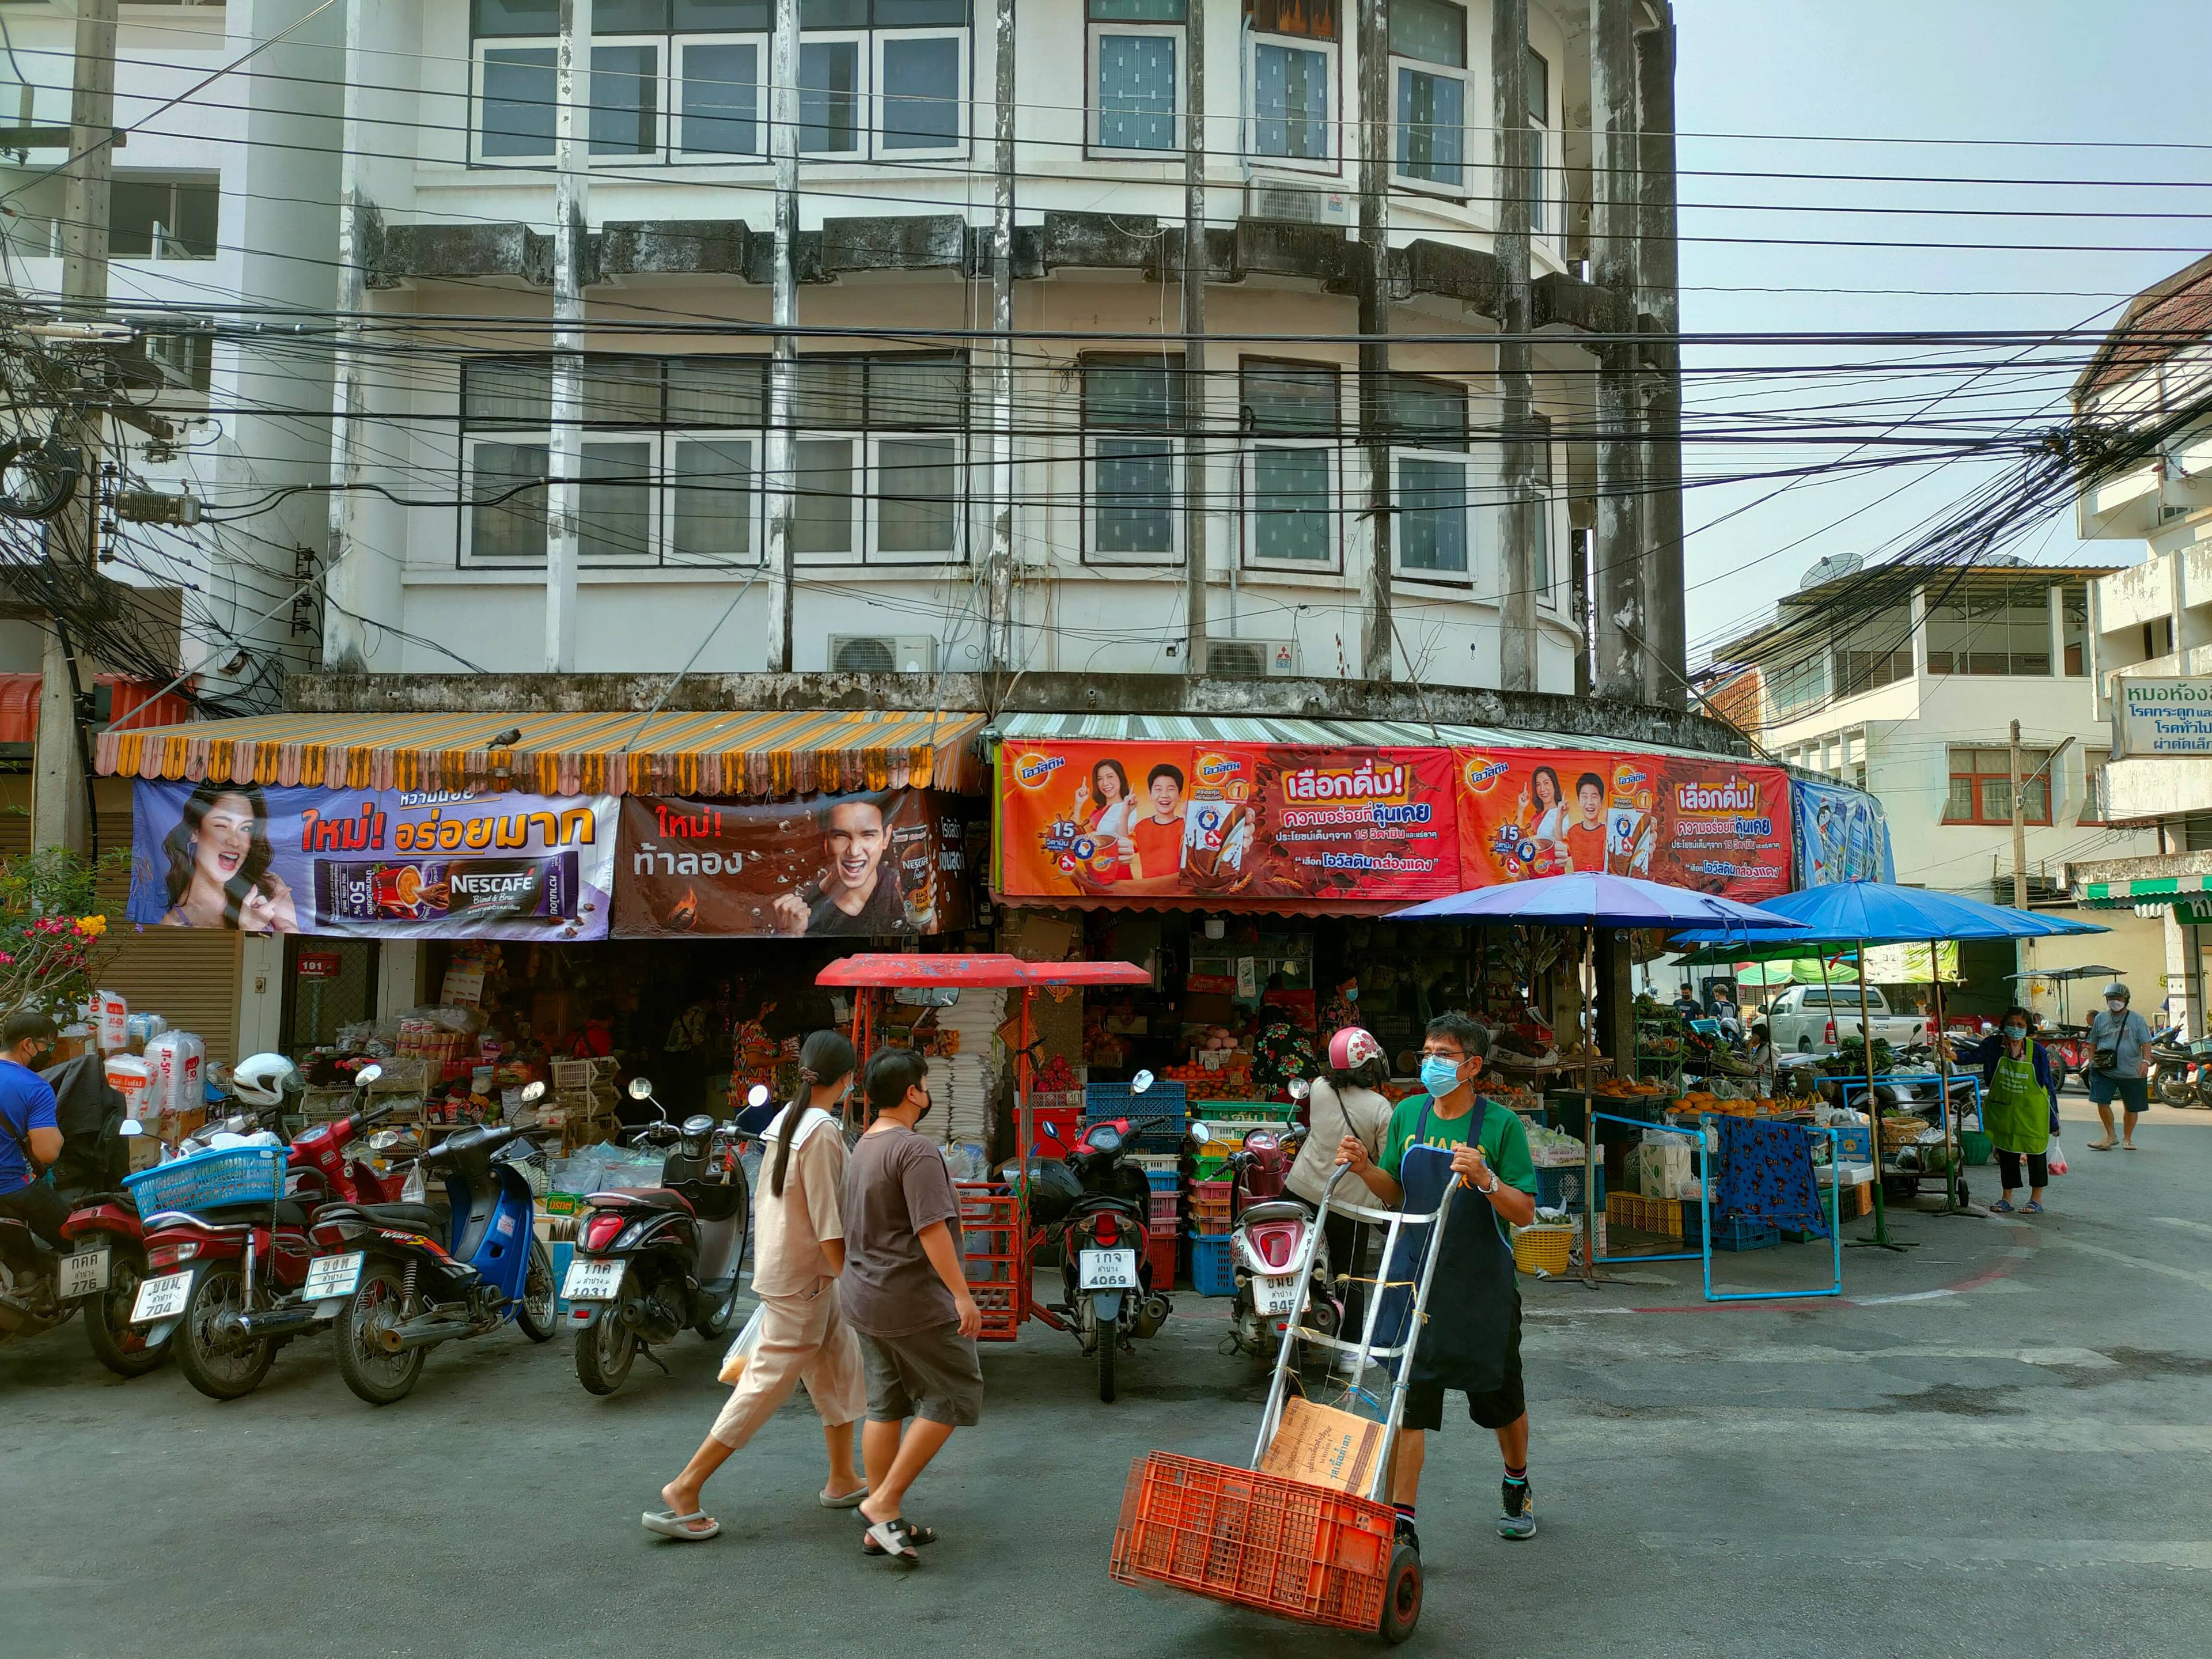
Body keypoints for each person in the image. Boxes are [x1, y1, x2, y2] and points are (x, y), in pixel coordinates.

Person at [647, 1031, 869, 1541]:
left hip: (798, 1273)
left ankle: (843, 1477)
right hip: (807, 1277)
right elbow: (828, 1221)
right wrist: (854, 1277)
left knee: (839, 1360)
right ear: (848, 1080)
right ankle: (685, 1486)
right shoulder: (820, 1133)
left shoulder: (788, 1124)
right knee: (765, 1384)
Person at [1336, 1012, 1540, 1544]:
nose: (1432, 1064)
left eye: (1444, 1055)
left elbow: (1523, 1213)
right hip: (1413, 1283)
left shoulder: (1501, 1126)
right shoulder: (1407, 1115)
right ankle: (1403, 1524)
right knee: (1411, 1404)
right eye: (1427, 1054)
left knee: (1501, 1401)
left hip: (1479, 1289)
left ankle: (1515, 1480)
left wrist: (1487, 1178)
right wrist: (1363, 1169)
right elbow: (1398, 1193)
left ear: (1473, 1065)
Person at [841, 1047, 983, 1563]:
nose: (926, 1091)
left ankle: (884, 1521)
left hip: (865, 1295)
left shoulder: (865, 1145)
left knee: (888, 1403)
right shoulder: (915, 1150)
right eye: (924, 1083)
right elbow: (932, 1231)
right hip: (909, 1298)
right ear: (913, 1093)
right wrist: (962, 1296)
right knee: (955, 1393)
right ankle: (883, 1503)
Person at [1283, 1027, 1394, 1333]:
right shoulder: (1380, 1107)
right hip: (1349, 1202)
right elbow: (1385, 1162)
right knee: (1349, 1275)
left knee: (1294, 1263)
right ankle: (1348, 1347)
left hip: (1301, 1189)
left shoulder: (1319, 1087)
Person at [160, 781, 296, 932]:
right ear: (195, 832)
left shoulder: (270, 886)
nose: (235, 841)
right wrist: (248, 930)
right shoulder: (174, 923)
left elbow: (295, 948)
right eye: (221, 826)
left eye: (245, 828)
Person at [773, 797, 907, 936]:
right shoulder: (801, 916)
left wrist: (928, 925)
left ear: (886, 837)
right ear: (824, 841)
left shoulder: (902, 891)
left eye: (868, 835)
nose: (854, 851)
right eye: (841, 836)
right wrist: (788, 936)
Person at [1972, 1006, 2059, 1215]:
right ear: (2004, 1025)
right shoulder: (1993, 1045)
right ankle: (2006, 1198)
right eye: (2011, 1024)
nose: (2015, 1029)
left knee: (2035, 1152)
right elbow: (1972, 1056)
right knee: (2007, 1151)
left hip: (2033, 1112)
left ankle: (2036, 1199)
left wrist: (2054, 1119)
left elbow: (2047, 1083)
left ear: (2028, 1028)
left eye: (2021, 1025)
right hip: (2006, 1109)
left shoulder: (2036, 1051)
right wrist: (1951, 1054)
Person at [0, 1011, 66, 1247]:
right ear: (27, 1044)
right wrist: (58, 1138)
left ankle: (25, 1271)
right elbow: (47, 1153)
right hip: (10, 1186)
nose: (49, 1053)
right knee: (73, 1236)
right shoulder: (35, 1087)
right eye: (47, 1046)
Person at [2086, 980, 2153, 1151]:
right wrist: (2093, 1060)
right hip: (2104, 1070)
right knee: (2101, 1100)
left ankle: (2128, 1139)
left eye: (2117, 997)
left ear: (2126, 999)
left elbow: (2146, 1043)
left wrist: (2145, 1062)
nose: (2113, 1000)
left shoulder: (2137, 1019)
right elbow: (2092, 1042)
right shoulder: (2100, 1018)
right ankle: (2111, 1135)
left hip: (2132, 1070)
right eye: (2110, 997)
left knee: (2132, 1106)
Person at [1072, 757, 1137, 882]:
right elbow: (1078, 839)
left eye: (1110, 777)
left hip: (1117, 877)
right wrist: (1078, 805)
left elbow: (1123, 843)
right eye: (1100, 779)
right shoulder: (1096, 813)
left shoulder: (1128, 808)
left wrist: (1125, 813)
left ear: (1120, 779)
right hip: (1096, 874)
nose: (1105, 783)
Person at [1127, 763, 1188, 882]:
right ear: (1150, 795)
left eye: (1170, 790)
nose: (1164, 795)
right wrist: (1125, 814)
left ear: (1180, 795)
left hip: (1178, 892)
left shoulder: (1184, 826)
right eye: (1158, 790)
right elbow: (1124, 849)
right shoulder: (1141, 827)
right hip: (1149, 892)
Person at [1565, 773, 1607, 873]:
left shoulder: (1607, 832)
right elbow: (1559, 853)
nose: (1590, 802)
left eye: (1594, 797)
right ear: (1579, 801)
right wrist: (1559, 818)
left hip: (1603, 886)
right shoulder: (1573, 832)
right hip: (1579, 886)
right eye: (1585, 797)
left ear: (1602, 803)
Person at [1527, 766, 1569, 861]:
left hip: (1551, 870)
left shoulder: (1561, 813)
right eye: (1538, 785)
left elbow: (1560, 849)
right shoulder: (1537, 815)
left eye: (1546, 783)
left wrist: (1559, 818)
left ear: (1554, 785)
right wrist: (1521, 809)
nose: (1542, 789)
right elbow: (1523, 841)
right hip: (1536, 868)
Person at [1745, 1021, 1777, 1094]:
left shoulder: (1766, 1049)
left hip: (1764, 1081)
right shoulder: (1763, 1045)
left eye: (1753, 1036)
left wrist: (1749, 1048)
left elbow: (1752, 1066)